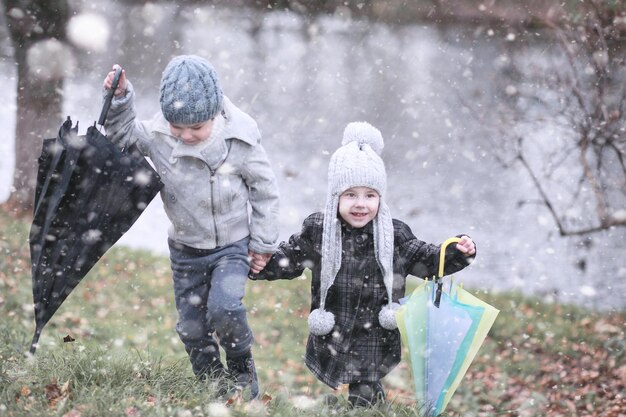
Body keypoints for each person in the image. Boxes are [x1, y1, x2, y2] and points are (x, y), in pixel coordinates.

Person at [250, 121, 476, 407]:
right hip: (335, 326)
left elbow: (426, 260)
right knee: (343, 373)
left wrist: (457, 251)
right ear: (336, 197)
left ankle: (367, 408)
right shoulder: (319, 230)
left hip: (376, 334)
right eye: (350, 195)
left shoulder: (394, 235)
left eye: (370, 195)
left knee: (366, 389)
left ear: (380, 197)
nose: (361, 204)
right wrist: (260, 263)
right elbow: (290, 258)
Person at [102, 55, 280, 400]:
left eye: (196, 128)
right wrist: (120, 99)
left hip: (231, 247)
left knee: (225, 308)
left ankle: (242, 366)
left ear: (214, 114)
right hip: (185, 250)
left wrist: (263, 243)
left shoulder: (239, 141)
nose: (185, 136)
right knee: (192, 328)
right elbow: (120, 135)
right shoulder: (159, 137)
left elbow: (265, 191)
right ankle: (214, 385)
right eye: (177, 127)